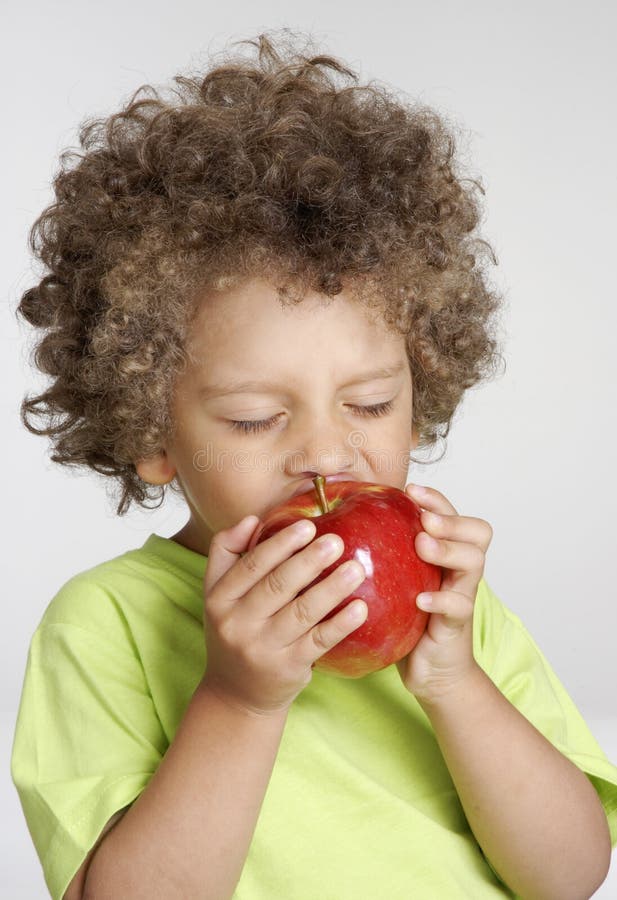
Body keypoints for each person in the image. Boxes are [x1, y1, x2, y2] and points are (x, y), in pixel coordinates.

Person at [10, 29, 617, 900]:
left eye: (370, 405)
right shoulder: (104, 624)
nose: (330, 453)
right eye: (256, 419)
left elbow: (570, 874)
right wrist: (238, 701)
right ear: (148, 430)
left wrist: (453, 684)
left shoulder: (449, 607)